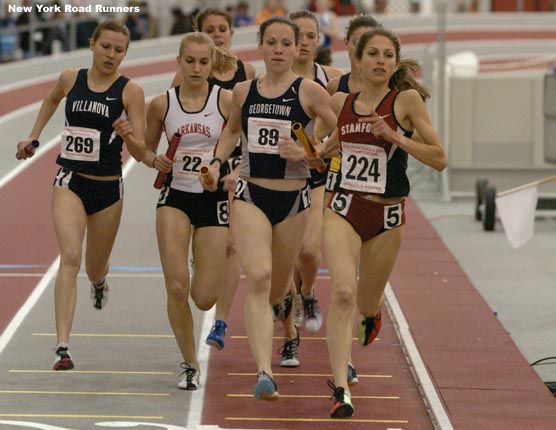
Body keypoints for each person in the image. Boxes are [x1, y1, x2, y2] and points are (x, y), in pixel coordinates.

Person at [200, 16, 338, 401]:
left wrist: (312, 152)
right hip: (250, 195)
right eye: (271, 43)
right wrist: (214, 163)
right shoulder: (243, 91)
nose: (278, 50)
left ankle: (290, 321)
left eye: (285, 44)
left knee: (278, 289)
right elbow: (230, 134)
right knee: (258, 276)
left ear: (296, 49)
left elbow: (342, 129)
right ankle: (264, 372)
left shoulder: (309, 92)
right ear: (260, 46)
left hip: (293, 200)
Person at [312, 27, 447, 418]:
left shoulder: (404, 100)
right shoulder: (341, 101)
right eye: (373, 54)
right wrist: (311, 153)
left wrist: (395, 136)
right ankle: (340, 387)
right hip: (344, 206)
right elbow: (325, 149)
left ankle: (372, 315)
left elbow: (439, 157)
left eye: (388, 55)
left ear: (394, 62)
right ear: (358, 59)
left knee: (367, 300)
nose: (381, 61)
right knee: (341, 293)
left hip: (387, 214)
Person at [16, 19, 146, 370]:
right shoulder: (70, 77)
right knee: (70, 255)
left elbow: (142, 146)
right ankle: (62, 347)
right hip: (70, 180)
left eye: (119, 50)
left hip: (107, 187)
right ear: (92, 44)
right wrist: (33, 135)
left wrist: (128, 132)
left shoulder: (130, 91)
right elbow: (51, 99)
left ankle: (100, 280)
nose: (111, 55)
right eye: (106, 47)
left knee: (93, 265)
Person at [143, 32, 236, 389]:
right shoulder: (161, 104)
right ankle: (189, 363)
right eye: (190, 61)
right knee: (177, 286)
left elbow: (236, 141)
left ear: (213, 64)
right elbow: (146, 149)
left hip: (211, 200)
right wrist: (156, 159)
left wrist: (217, 164)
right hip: (175, 197)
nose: (197, 68)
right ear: (179, 62)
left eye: (203, 62)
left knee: (204, 297)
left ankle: (201, 261)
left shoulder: (225, 101)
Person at [172, 8, 256, 351]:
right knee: (208, 242)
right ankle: (201, 259)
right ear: (201, 34)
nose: (218, 34)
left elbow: (250, 126)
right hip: (195, 171)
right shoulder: (185, 76)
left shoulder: (245, 72)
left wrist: (239, 169)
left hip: (233, 166)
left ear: (231, 34)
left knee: (232, 243)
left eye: (223, 29)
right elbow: (174, 122)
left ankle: (220, 321)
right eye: (211, 29)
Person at [272, 9, 344, 369]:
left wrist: (318, 147)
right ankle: (289, 338)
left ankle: (309, 292)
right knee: (284, 262)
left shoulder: (330, 81)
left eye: (309, 36)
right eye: (295, 36)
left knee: (310, 252)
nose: (302, 43)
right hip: (277, 177)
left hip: (315, 174)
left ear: (319, 41)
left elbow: (346, 122)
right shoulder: (268, 80)